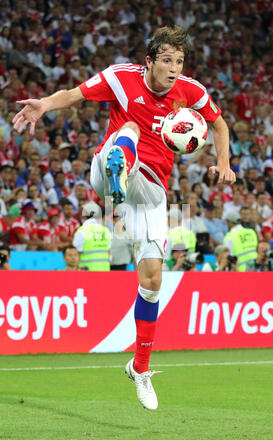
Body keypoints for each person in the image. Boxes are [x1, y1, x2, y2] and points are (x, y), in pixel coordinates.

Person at [12, 25, 236, 411]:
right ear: (149, 61)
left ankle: (140, 367)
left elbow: (218, 123)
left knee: (151, 280)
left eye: (178, 61)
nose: (173, 68)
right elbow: (76, 94)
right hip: (107, 168)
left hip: (149, 190)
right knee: (128, 128)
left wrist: (223, 162)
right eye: (166, 60)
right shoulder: (121, 78)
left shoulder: (191, 91)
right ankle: (120, 168)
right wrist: (45, 105)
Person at [72, 201, 111, 271]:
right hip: (104, 271)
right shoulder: (106, 231)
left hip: (87, 272)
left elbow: (76, 253)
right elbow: (109, 253)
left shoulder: (82, 231)